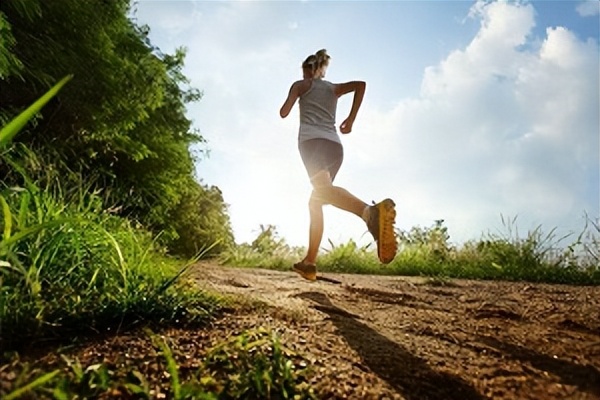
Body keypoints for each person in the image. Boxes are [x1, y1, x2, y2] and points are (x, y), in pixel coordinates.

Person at [279, 49, 397, 281]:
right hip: (335, 147)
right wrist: (351, 119)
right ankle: (310, 262)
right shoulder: (333, 88)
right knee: (317, 200)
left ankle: (369, 212)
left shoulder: (301, 85)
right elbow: (360, 85)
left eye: (305, 72)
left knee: (322, 192)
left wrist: (295, 95)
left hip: (312, 143)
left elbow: (284, 112)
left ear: (309, 70)